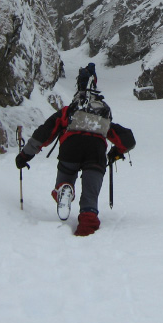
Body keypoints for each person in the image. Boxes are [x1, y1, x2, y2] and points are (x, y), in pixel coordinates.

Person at [16, 82, 135, 236]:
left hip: (70, 149)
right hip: (96, 152)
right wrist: (115, 153)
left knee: (64, 180)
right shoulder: (102, 120)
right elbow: (128, 140)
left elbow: (44, 133)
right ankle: (87, 228)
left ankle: (63, 189)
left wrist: (25, 155)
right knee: (90, 195)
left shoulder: (67, 112)